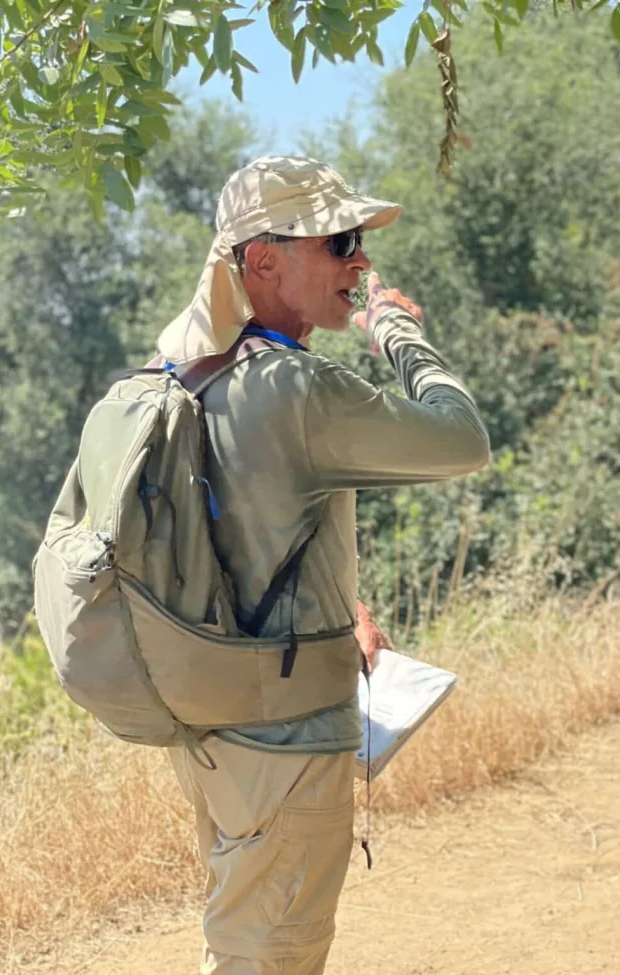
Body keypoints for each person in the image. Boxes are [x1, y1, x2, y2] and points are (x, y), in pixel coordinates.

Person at [158, 156, 490, 975]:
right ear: (262, 260)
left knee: (239, 935)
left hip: (207, 723)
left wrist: (348, 604)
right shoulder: (297, 386)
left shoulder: (190, 369)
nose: (361, 261)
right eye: (339, 240)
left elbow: (246, 530)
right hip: (286, 738)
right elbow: (462, 436)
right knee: (273, 955)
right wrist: (397, 333)